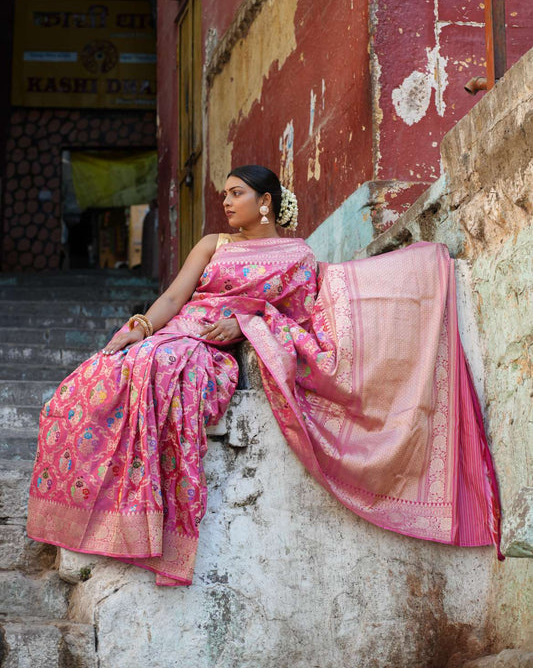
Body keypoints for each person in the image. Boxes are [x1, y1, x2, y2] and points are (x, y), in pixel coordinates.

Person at [27, 165, 502, 586]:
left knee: (170, 368)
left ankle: (138, 521)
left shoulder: (297, 256)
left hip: (213, 348)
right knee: (102, 376)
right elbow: (174, 298)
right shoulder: (213, 244)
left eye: (236, 194)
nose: (228, 203)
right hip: (180, 329)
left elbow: (296, 322)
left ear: (265, 202)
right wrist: (140, 327)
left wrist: (245, 322)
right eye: (226, 196)